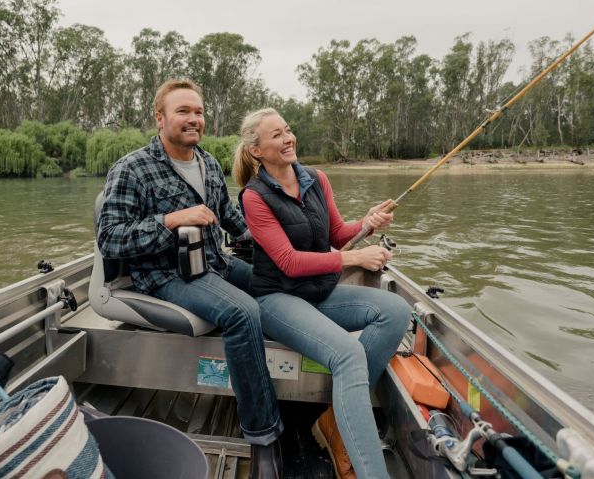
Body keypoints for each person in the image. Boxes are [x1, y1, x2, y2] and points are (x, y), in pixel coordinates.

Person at [97, 80, 283, 479]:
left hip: (215, 262)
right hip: (165, 276)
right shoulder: (132, 169)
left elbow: (232, 221)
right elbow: (110, 240)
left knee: (279, 282)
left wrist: (280, 243)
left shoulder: (209, 163)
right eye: (183, 111)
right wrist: (171, 220)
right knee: (243, 312)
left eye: (198, 112)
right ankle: (264, 437)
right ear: (159, 117)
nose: (193, 119)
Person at [234, 108, 412, 479]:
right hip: (277, 298)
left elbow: (335, 233)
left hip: (320, 291)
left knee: (396, 312)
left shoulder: (316, 178)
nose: (288, 139)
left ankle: (335, 418)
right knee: (348, 355)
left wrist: (366, 222)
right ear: (256, 151)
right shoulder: (254, 197)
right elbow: (288, 262)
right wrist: (355, 257)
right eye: (276, 136)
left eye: (288, 131)